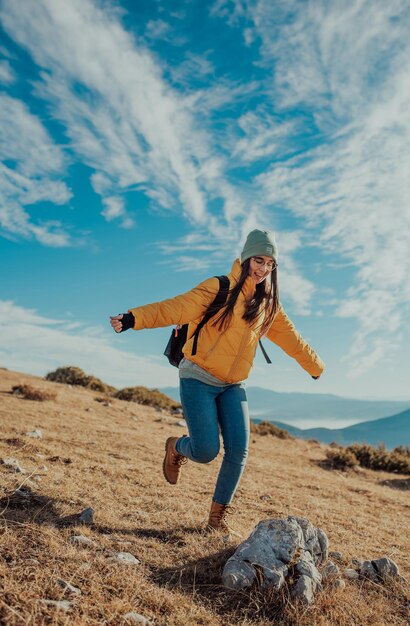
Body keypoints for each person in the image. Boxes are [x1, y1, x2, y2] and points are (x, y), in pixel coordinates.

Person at [110, 229, 325, 536]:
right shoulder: (219, 288)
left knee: (238, 451)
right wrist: (133, 318)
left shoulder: (268, 306)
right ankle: (177, 447)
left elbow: (293, 339)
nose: (264, 268)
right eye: (259, 260)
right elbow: (176, 307)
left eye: (270, 264)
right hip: (198, 376)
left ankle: (215, 521)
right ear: (247, 257)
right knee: (207, 449)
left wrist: (315, 366)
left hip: (233, 385)